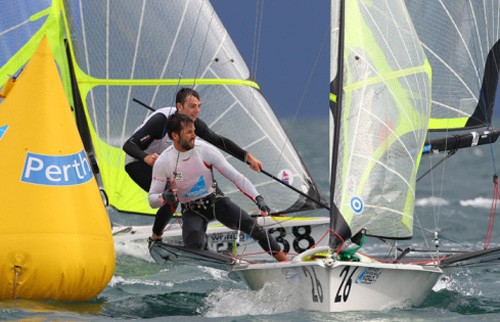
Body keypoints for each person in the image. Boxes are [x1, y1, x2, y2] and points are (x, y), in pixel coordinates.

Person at [122, 88, 263, 246]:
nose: (196, 111)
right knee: (172, 196)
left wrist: (246, 157)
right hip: (137, 163)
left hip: (163, 164)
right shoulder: (161, 120)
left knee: (200, 189)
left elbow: (217, 140)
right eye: (192, 106)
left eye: (199, 106)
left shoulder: (192, 124)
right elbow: (129, 145)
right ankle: (156, 237)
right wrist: (145, 157)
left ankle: (200, 231)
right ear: (179, 107)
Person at [148, 113, 288, 262]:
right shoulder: (163, 162)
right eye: (189, 132)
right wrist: (163, 197)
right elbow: (152, 200)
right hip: (192, 210)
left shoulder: (205, 150)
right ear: (175, 136)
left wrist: (257, 198)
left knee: (255, 229)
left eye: (194, 131)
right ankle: (221, 262)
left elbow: (236, 177)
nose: (194, 135)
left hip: (216, 202)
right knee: (195, 246)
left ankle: (286, 263)